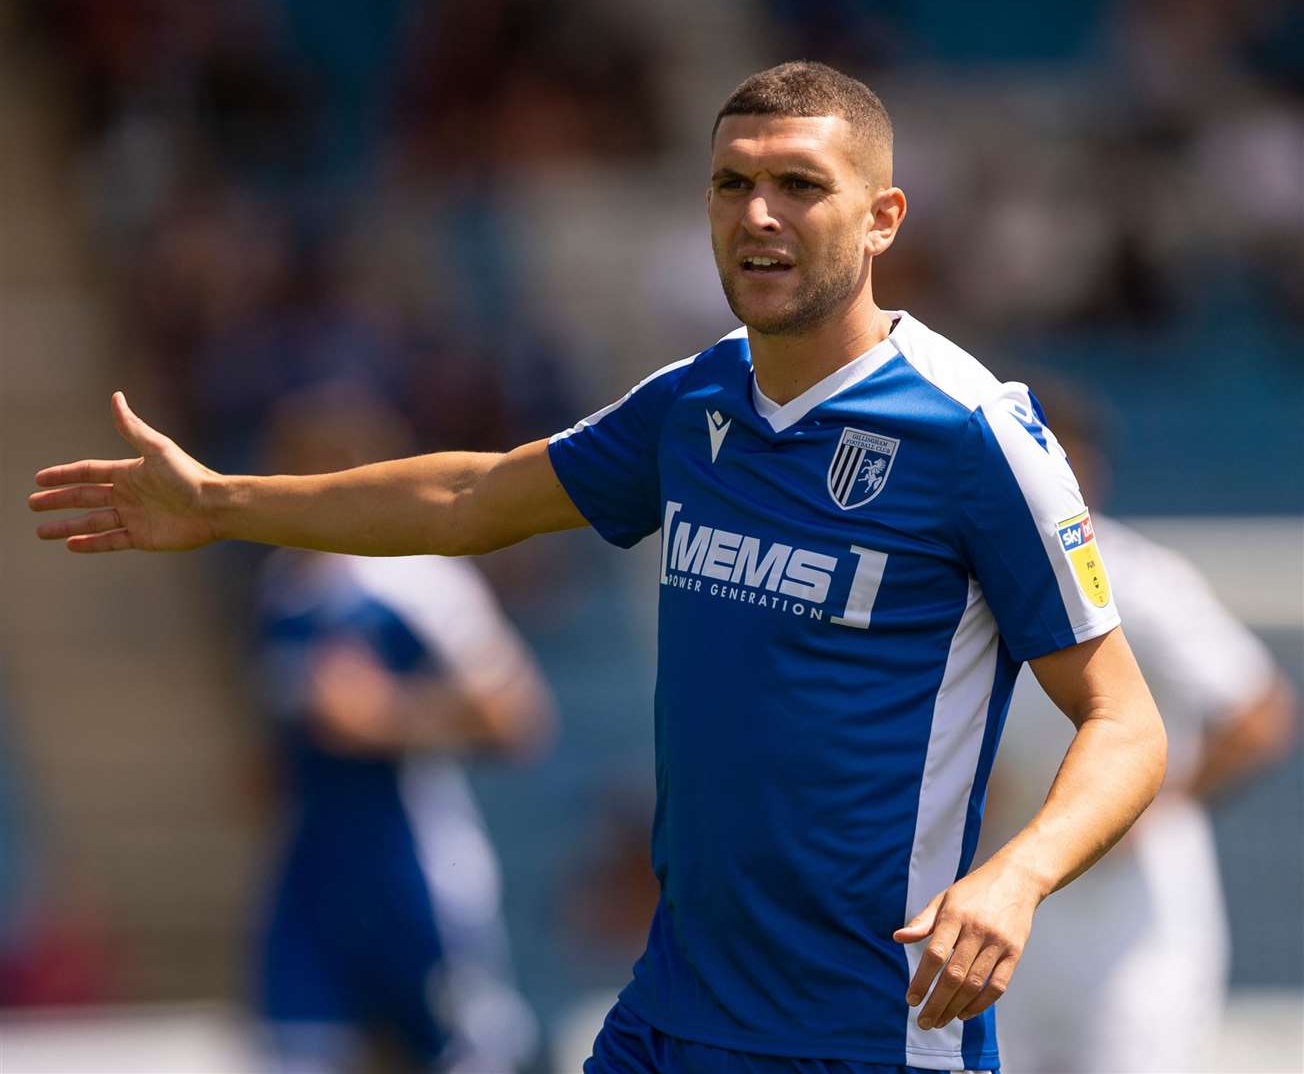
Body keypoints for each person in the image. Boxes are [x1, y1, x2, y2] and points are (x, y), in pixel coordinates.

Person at [31, 62, 1167, 1074]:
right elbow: (475, 495)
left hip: (866, 1029)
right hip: (672, 1013)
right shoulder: (695, 401)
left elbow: (1124, 723)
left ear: (880, 218)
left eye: (798, 187)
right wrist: (228, 505)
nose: (756, 215)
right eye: (730, 185)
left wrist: (1013, 878)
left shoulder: (971, 436)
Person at [976, 386, 1297, 1074]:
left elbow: (1259, 709)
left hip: (1133, 929)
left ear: (1082, 466)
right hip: (1006, 907)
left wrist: (1147, 804)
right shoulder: (962, 583)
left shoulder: (1139, 580)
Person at [246, 385, 553, 1073]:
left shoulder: (416, 582)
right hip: (311, 870)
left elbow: (518, 715)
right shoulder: (280, 590)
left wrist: (389, 715)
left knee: (459, 1051)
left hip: (410, 866)